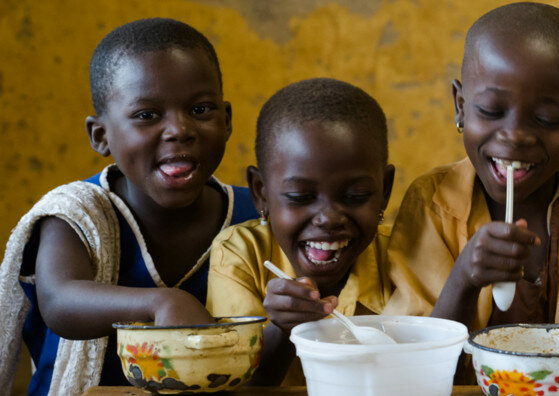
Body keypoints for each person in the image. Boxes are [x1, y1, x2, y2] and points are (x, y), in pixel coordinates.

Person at [384, 2, 559, 364]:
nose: (515, 137)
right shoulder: (431, 202)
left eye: (548, 119)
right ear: (460, 105)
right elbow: (410, 360)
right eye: (490, 111)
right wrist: (464, 279)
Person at [0, 18, 257, 395]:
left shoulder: (255, 217)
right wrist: (162, 303)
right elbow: (58, 300)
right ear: (101, 136)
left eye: (201, 109)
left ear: (227, 119)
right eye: (147, 115)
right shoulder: (76, 214)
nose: (179, 129)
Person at [206, 78, 395, 385]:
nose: (328, 218)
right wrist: (281, 329)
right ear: (261, 192)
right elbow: (238, 387)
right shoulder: (239, 255)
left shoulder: (400, 255)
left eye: (355, 196)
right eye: (300, 198)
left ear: (384, 190)